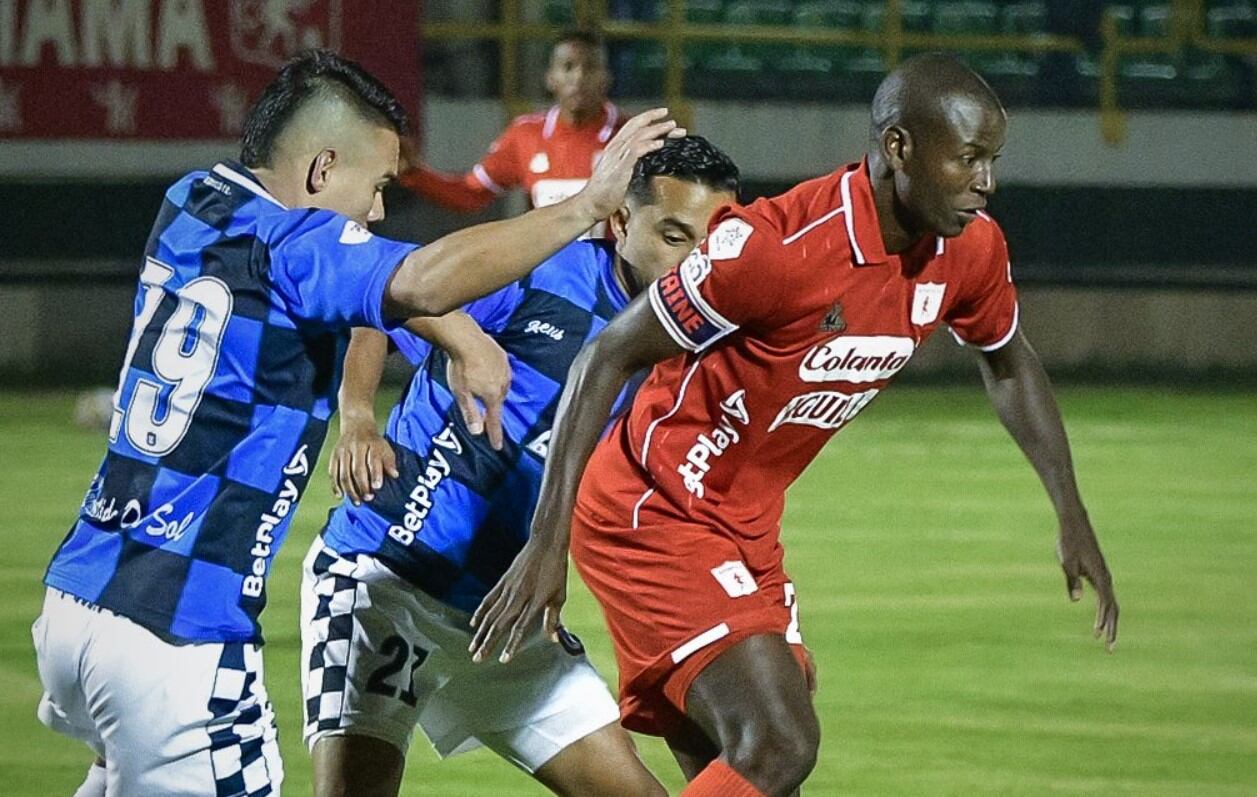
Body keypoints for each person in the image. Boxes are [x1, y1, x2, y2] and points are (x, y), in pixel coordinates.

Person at [32, 49, 681, 796]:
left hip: (78, 599)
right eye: (373, 187)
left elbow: (374, 288)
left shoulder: (194, 200)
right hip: (176, 630)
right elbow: (416, 278)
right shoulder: (296, 244)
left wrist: (460, 335)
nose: (375, 212)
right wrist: (583, 206)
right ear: (319, 172)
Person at [470, 54, 1120, 797]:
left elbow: (1008, 362)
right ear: (900, 147)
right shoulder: (773, 247)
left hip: (744, 526)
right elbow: (606, 355)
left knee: (760, 770)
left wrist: (1070, 511)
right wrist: (545, 545)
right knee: (778, 742)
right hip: (651, 510)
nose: (985, 182)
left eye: (991, 160)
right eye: (967, 158)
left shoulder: (968, 251)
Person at [300, 136, 740, 797]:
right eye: (674, 236)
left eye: (709, 242)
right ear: (620, 222)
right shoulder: (539, 271)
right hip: (384, 580)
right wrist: (358, 413)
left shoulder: (698, 343)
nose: (693, 261)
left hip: (503, 622)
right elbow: (390, 299)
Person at [400, 29, 623, 229]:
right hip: (546, 272)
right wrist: (414, 173)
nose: (579, 77)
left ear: (606, 78)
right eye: (568, 67)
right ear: (550, 78)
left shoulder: (629, 135)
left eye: (591, 67)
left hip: (609, 273)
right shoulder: (525, 134)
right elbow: (470, 194)